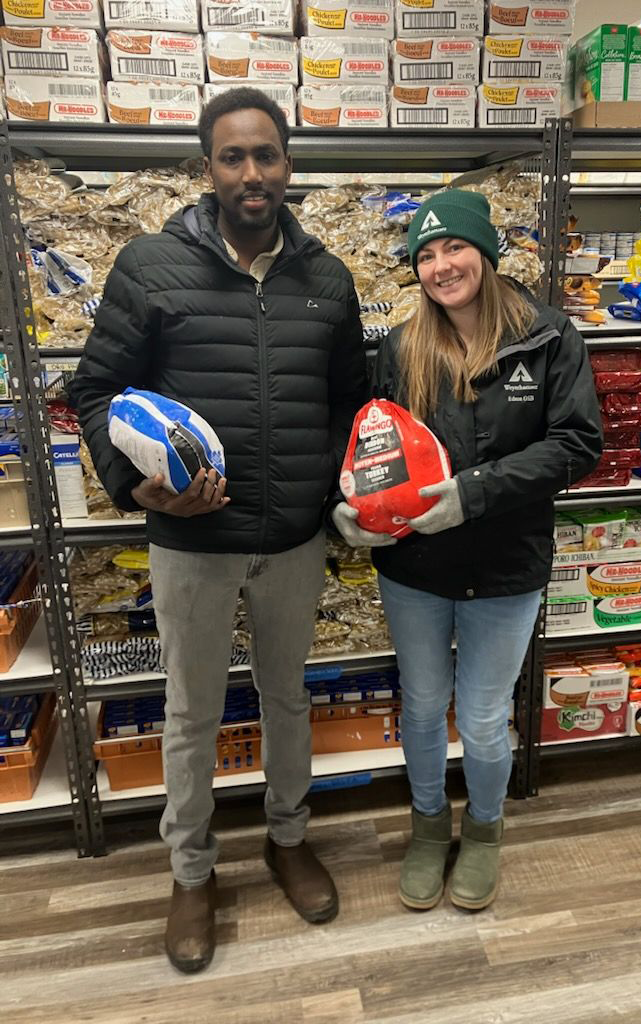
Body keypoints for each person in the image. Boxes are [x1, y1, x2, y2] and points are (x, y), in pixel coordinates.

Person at [70, 87, 368, 973]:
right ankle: (191, 873)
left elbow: (349, 404)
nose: (252, 173)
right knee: (192, 711)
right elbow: (92, 392)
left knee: (287, 698)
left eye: (266, 156)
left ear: (287, 165)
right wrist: (137, 488)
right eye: (233, 157)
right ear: (208, 167)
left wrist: (348, 500)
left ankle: (287, 838)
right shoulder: (149, 266)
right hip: (192, 546)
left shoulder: (329, 277)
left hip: (294, 540)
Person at [333, 189, 602, 912]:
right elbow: (367, 440)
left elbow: (578, 446)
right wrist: (347, 505)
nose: (441, 265)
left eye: (454, 248)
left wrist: (473, 492)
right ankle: (428, 829)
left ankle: (483, 831)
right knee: (422, 708)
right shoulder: (398, 347)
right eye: (425, 255)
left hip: (508, 564)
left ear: (485, 251)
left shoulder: (548, 338)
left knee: (483, 718)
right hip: (415, 567)